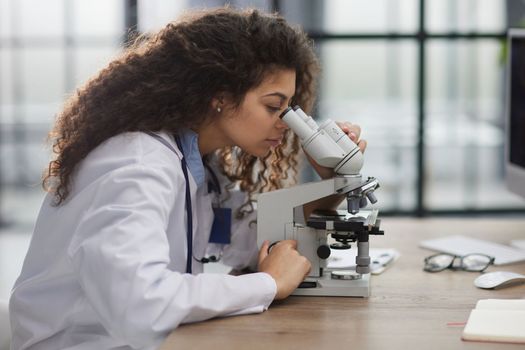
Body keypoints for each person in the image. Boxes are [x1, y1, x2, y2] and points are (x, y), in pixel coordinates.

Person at [9, 7, 366, 350]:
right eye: (274, 107)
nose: (283, 124)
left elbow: (254, 243)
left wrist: (331, 183)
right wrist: (268, 283)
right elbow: (142, 305)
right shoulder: (136, 165)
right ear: (221, 97)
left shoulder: (197, 166)